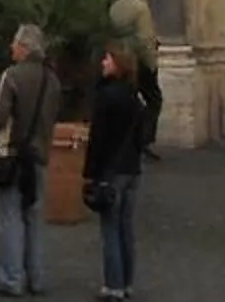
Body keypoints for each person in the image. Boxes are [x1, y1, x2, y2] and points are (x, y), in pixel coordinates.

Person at [0, 22, 63, 297]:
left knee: (11, 217)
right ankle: (37, 278)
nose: (11, 48)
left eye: (15, 44)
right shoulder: (52, 80)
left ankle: (12, 277)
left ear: (24, 47)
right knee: (34, 217)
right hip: (39, 154)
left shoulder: (12, 76)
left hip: (12, 155)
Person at [83, 47, 145, 302]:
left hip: (111, 168)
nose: (103, 62)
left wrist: (90, 172)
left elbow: (98, 138)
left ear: (118, 64)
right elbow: (142, 136)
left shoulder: (107, 96)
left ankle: (113, 285)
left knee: (110, 227)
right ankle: (127, 282)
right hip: (132, 168)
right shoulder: (135, 97)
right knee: (126, 228)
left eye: (107, 58)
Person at [104, 0, 163, 156]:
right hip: (138, 60)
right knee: (154, 99)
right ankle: (144, 138)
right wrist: (151, 62)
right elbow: (145, 38)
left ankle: (123, 138)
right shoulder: (141, 8)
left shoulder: (115, 7)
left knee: (127, 99)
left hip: (118, 58)